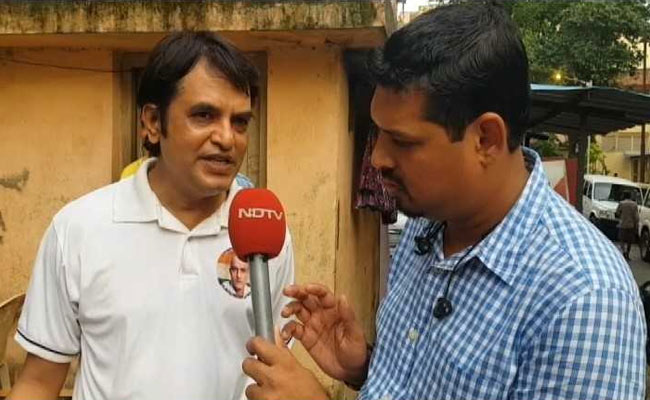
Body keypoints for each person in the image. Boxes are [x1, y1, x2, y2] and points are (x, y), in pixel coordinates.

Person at [242, 3, 646, 400]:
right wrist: (365, 366)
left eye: (402, 141)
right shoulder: (427, 223)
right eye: (378, 134)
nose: (378, 158)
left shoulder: (584, 300)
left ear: (486, 139)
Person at [9, 32, 294, 400]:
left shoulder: (266, 235)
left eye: (240, 122)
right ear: (153, 122)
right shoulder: (78, 229)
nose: (227, 138)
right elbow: (37, 383)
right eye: (204, 115)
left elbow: (277, 375)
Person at [616, 190, 639, 260]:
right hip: (631, 225)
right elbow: (636, 217)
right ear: (630, 196)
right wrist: (636, 225)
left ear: (624, 196)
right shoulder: (634, 204)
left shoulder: (621, 203)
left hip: (622, 224)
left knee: (622, 239)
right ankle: (628, 253)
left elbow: (617, 213)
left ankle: (624, 252)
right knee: (629, 241)